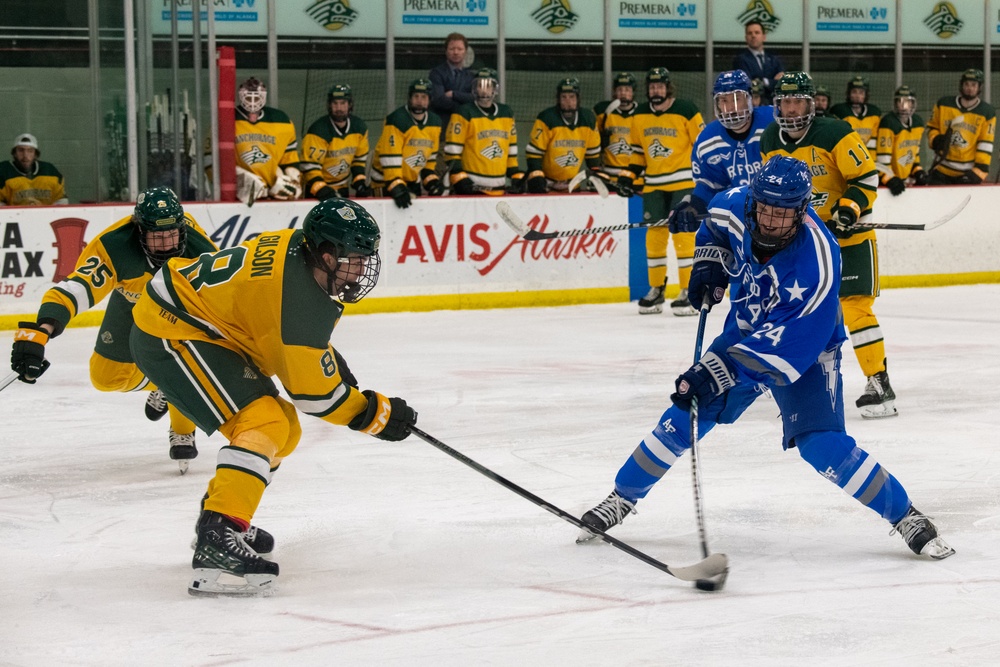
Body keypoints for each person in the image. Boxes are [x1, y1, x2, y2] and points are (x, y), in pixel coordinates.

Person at [577, 156, 954, 563]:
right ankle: (622, 497)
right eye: (766, 210)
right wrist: (708, 262)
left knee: (821, 446)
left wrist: (719, 371)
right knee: (685, 410)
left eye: (783, 214)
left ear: (803, 209)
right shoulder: (737, 204)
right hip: (746, 328)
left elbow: (785, 347)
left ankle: (905, 516)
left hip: (806, 350)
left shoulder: (819, 263)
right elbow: (715, 226)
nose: (771, 221)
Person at [128, 197, 418, 596]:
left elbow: (266, 319)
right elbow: (315, 396)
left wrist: (324, 356)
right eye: (354, 259)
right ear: (328, 256)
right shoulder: (299, 302)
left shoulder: (297, 250)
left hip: (199, 324)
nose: (362, 269)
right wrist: (376, 414)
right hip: (169, 330)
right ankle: (219, 532)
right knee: (265, 419)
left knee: (286, 430)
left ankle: (224, 516)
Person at [8, 187, 217, 472]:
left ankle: (182, 427)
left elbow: (224, 305)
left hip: (176, 311)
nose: (167, 245)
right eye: (157, 237)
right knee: (104, 377)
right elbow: (76, 288)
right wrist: (42, 330)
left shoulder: (201, 251)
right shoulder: (115, 246)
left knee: (181, 368)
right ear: (139, 231)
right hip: (131, 301)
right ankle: (162, 385)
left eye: (172, 235)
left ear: (181, 229)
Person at [761, 71, 896, 419]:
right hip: (808, 246)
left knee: (854, 309)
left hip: (851, 241)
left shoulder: (834, 132)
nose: (791, 109)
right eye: (785, 102)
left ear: (810, 104)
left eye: (797, 102)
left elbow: (865, 178)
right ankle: (803, 387)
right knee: (802, 313)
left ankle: (879, 383)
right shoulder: (770, 139)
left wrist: (848, 210)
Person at [617, 67, 705, 316]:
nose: (656, 90)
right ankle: (656, 289)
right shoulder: (640, 114)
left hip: (683, 182)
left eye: (660, 85)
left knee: (684, 235)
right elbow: (637, 152)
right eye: (652, 86)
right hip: (653, 184)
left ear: (669, 87)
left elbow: (703, 144)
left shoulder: (687, 109)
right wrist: (628, 176)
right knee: (654, 238)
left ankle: (689, 291)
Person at [670, 70, 773, 247]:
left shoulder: (773, 122)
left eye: (736, 99)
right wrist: (693, 206)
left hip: (781, 216)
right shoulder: (707, 140)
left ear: (749, 99)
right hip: (740, 222)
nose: (730, 108)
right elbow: (710, 187)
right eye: (723, 101)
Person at [443, 67, 525, 196]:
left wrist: (516, 174)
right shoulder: (464, 112)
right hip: (472, 188)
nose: (483, 89)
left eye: (488, 86)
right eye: (480, 85)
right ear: (475, 88)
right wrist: (460, 177)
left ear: (494, 89)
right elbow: (452, 151)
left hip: (499, 188)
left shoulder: (506, 113)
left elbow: (511, 150)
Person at [373, 78, 445, 209]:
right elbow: (390, 158)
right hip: (384, 181)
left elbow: (429, 162)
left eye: (423, 97)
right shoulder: (397, 119)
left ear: (429, 99)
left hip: (411, 180)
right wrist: (396, 184)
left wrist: (432, 181)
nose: (419, 101)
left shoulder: (435, 122)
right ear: (409, 98)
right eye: (416, 96)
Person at [233, 77, 302, 205]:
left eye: (257, 97)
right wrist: (239, 177)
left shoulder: (282, 120)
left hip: (273, 195)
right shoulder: (228, 118)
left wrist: (293, 180)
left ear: (264, 97)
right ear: (241, 97)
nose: (252, 102)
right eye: (248, 98)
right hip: (239, 198)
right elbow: (212, 162)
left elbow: (289, 159)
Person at [524, 77, 601, 193]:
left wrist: (596, 175)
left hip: (573, 184)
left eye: (571, 97)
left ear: (578, 99)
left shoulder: (588, 119)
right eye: (563, 97)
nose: (568, 101)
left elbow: (592, 155)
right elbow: (534, 153)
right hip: (547, 185)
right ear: (558, 99)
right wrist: (536, 175)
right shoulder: (547, 118)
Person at [301, 84, 373, 201]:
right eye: (335, 103)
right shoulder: (319, 130)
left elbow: (358, 161)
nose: (339, 108)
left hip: (342, 187)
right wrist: (320, 188)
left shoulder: (359, 127)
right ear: (329, 105)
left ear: (350, 105)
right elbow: (310, 166)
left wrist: (359, 181)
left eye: (343, 103)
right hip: (316, 189)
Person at [926, 68, 997, 185]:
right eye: (967, 84)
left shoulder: (987, 112)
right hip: (941, 170)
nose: (970, 88)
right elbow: (932, 128)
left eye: (974, 85)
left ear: (980, 87)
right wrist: (935, 139)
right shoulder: (943, 104)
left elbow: (985, 143)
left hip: (967, 173)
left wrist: (979, 172)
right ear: (961, 85)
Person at [876, 85, 928, 196]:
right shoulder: (888, 122)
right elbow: (882, 159)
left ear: (913, 104)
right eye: (900, 102)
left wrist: (917, 171)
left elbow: (914, 154)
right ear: (895, 104)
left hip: (906, 181)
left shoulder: (918, 122)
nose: (903, 106)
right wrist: (888, 178)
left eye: (907, 102)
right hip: (888, 184)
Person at [593, 71, 640, 193]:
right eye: (619, 90)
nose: (623, 93)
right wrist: (600, 142)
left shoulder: (642, 113)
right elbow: (590, 141)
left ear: (633, 92)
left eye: (627, 89)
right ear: (614, 92)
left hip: (636, 178)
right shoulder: (602, 111)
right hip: (608, 177)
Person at [0, 133, 68, 206]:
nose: (25, 155)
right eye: (21, 150)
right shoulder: (3, 171)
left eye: (30, 151)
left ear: (35, 154)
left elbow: (61, 201)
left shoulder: (50, 171)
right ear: (14, 153)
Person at [429, 32, 477, 130]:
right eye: (452, 49)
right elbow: (438, 100)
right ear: (446, 51)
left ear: (465, 51)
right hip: (443, 129)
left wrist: (453, 94)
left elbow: (475, 99)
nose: (456, 52)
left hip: (466, 130)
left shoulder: (471, 76)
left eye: (459, 49)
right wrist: (465, 107)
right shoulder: (436, 73)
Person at [732, 20, 785, 104]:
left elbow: (782, 83)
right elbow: (749, 85)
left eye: (757, 32)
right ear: (746, 38)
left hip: (774, 106)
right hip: (753, 107)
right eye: (750, 33)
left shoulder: (773, 59)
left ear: (764, 37)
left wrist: (760, 82)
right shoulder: (741, 60)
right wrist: (770, 82)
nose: (753, 35)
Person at [827, 75, 882, 152]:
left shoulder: (875, 112)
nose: (857, 96)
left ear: (866, 95)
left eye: (861, 93)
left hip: (870, 160)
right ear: (848, 94)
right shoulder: (839, 111)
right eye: (854, 92)